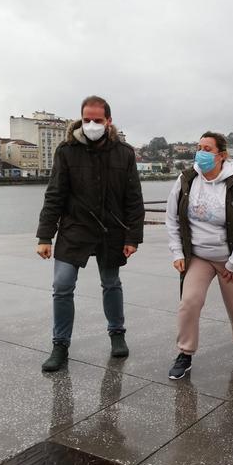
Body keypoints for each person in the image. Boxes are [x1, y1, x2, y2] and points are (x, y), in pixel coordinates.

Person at [36, 96, 144, 372]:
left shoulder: (124, 152)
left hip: (111, 230)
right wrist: (45, 236)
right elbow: (55, 195)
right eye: (87, 120)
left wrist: (132, 237)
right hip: (75, 229)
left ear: (108, 120)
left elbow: (133, 199)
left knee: (111, 282)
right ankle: (60, 345)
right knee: (62, 285)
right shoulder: (66, 150)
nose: (91, 124)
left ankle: (117, 334)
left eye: (97, 120)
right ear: (80, 119)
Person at [165, 131, 233, 380]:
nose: (201, 153)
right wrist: (177, 252)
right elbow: (172, 218)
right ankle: (185, 353)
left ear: (221, 155)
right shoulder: (187, 180)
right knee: (189, 302)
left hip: (227, 257)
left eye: (207, 149)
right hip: (198, 256)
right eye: (198, 147)